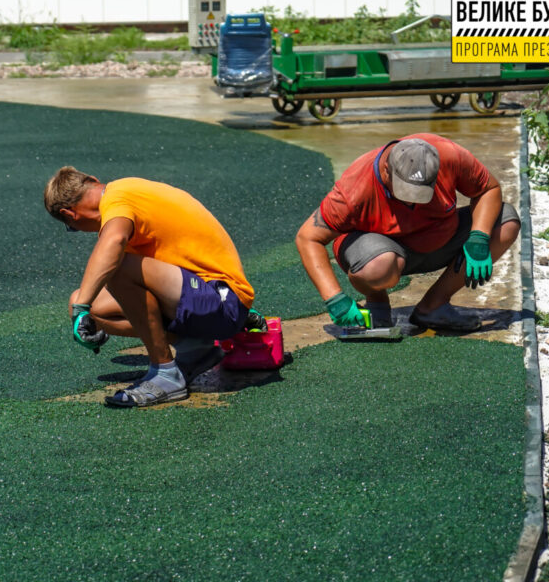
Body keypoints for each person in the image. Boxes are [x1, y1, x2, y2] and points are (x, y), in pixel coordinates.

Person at [44, 166, 255, 407]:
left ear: (70, 215)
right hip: (207, 298)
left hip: (223, 302)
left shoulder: (117, 199)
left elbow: (113, 243)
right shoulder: (128, 195)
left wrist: (79, 308)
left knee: (115, 266)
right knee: (92, 306)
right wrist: (82, 306)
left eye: (71, 227)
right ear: (93, 180)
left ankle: (166, 375)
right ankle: (195, 349)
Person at [295, 133, 520, 332]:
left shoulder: (448, 155)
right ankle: (377, 302)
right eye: (405, 192)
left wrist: (479, 238)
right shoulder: (353, 191)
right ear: (386, 171)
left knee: (505, 221)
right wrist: (335, 299)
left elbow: (488, 189)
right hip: (381, 252)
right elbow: (308, 238)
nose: (413, 202)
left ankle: (433, 306)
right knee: (379, 266)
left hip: (439, 240)